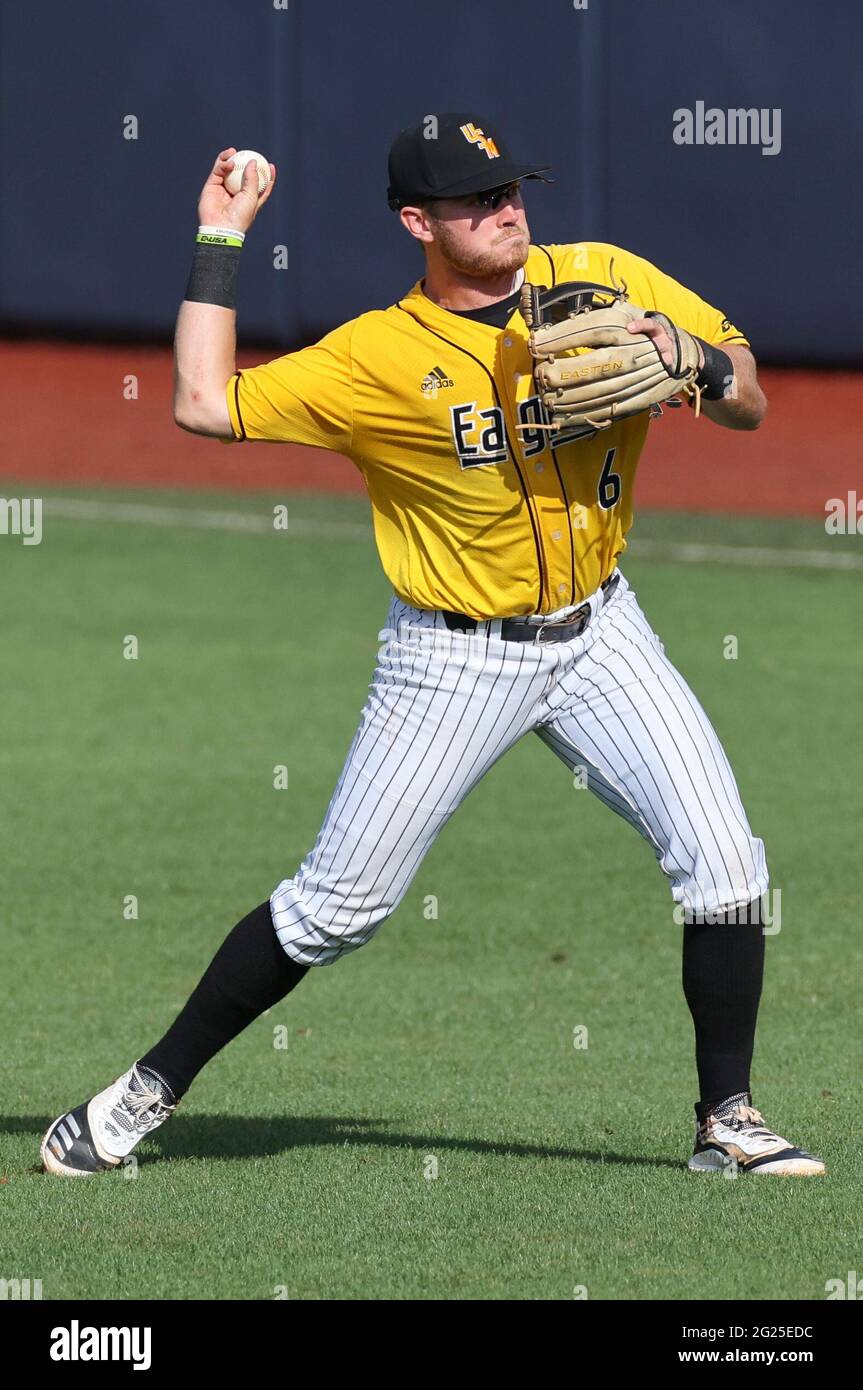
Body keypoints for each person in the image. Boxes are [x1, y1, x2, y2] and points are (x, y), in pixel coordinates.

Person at [41, 113, 824, 1179]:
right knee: (334, 909)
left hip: (603, 632)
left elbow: (749, 398)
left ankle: (725, 1119)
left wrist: (689, 357)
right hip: (452, 658)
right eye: (474, 200)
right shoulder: (375, 355)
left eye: (509, 188)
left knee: (726, 864)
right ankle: (141, 1092)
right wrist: (219, 237)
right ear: (418, 222)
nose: (505, 210)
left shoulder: (600, 275)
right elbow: (198, 403)